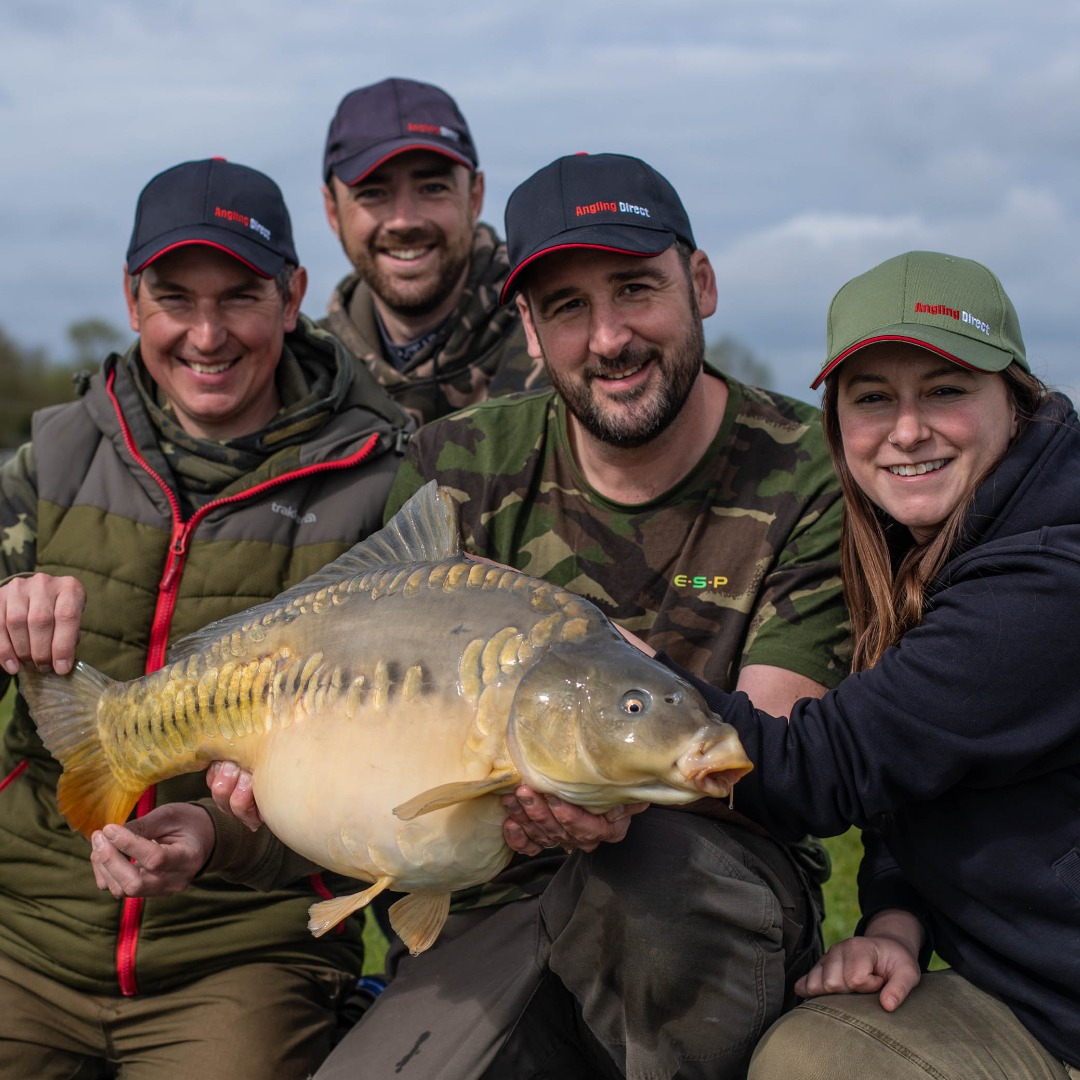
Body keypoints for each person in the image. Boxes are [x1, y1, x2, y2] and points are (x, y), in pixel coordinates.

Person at [94, 151, 851, 1080]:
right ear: (528, 328)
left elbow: (761, 751)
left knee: (651, 885)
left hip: (705, 891)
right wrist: (272, 794)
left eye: (636, 289)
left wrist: (595, 784)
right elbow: (376, 748)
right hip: (488, 896)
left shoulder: (812, 469)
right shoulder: (462, 459)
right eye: (568, 307)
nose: (609, 336)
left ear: (700, 283)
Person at [0, 157, 413, 1079]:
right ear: (131, 297)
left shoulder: (382, 491)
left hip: (243, 955)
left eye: (241, 297)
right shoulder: (52, 457)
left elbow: (371, 796)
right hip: (22, 937)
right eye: (174, 297)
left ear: (295, 294)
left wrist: (224, 840)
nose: (206, 333)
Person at [645, 250, 1079, 1078]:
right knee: (816, 1049)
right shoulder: (925, 547)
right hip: (1029, 998)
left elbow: (825, 768)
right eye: (873, 399)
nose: (907, 430)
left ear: (1017, 401)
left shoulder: (1049, 578)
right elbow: (927, 775)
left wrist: (629, 689)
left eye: (946, 390)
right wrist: (895, 921)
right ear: (838, 423)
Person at [320, 76, 545, 425]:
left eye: (433, 187)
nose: (404, 221)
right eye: (373, 192)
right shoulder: (304, 375)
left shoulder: (560, 345)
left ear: (474, 197)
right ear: (333, 211)